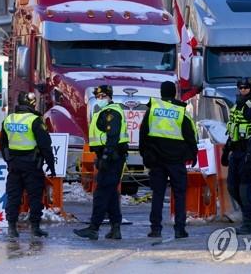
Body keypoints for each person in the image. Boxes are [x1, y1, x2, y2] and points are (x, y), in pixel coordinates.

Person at [139, 81, 198, 239]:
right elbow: (190, 135)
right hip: (176, 160)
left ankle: (155, 228)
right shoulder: (181, 111)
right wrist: (193, 153)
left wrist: (144, 154)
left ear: (161, 92)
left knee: (157, 194)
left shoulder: (153, 109)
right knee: (179, 194)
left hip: (157, 160)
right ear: (174, 93)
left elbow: (143, 133)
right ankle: (180, 229)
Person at [73, 85, 129, 240]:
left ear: (109, 96)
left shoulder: (111, 112)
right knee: (110, 194)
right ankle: (115, 228)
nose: (100, 99)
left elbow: (113, 136)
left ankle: (94, 228)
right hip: (111, 156)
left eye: (103, 96)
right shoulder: (104, 112)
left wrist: (105, 156)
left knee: (101, 193)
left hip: (111, 158)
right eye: (97, 96)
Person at [0, 91, 56, 238]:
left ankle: (12, 227)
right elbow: (45, 145)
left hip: (14, 165)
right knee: (35, 196)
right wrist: (51, 165)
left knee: (13, 196)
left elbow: (2, 144)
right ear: (31, 104)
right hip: (32, 165)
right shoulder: (35, 120)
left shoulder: (9, 119)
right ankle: (35, 228)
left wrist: (9, 160)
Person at [221, 77, 251, 235]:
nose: (242, 90)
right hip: (236, 151)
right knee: (232, 187)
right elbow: (233, 129)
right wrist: (226, 151)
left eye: (245, 88)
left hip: (250, 152)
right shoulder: (237, 106)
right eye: (240, 88)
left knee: (245, 188)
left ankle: (248, 224)